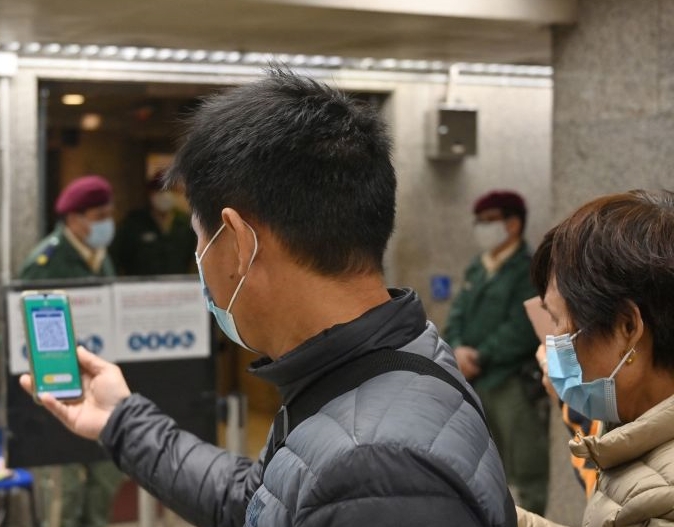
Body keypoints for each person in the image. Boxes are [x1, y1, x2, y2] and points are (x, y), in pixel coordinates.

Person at [20, 68, 516, 527]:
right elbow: (256, 500)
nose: (199, 259)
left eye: (200, 239)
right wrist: (121, 420)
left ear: (238, 244)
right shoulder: (380, 366)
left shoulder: (373, 468)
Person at [517, 189, 674, 526]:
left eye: (557, 321)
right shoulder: (631, 428)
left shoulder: (664, 498)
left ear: (626, 327)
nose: (549, 344)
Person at [19, 175, 126, 527]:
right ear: (74, 219)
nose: (107, 223)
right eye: (98, 216)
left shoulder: (101, 257)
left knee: (102, 489)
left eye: (109, 214)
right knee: (63, 500)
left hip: (96, 393)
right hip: (58, 396)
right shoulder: (45, 263)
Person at [443, 190, 549, 514]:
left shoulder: (528, 268)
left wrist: (479, 356)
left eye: (488, 221)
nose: (481, 228)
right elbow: (457, 313)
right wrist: (457, 348)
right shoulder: (478, 267)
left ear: (513, 224)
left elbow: (521, 328)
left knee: (526, 469)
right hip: (475, 383)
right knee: (482, 465)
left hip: (511, 383)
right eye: (478, 221)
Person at [110, 170, 196, 276]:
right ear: (151, 194)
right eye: (160, 190)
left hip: (177, 283)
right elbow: (116, 258)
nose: (165, 195)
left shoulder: (186, 224)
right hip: (141, 284)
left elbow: (192, 259)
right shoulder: (133, 224)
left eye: (170, 190)